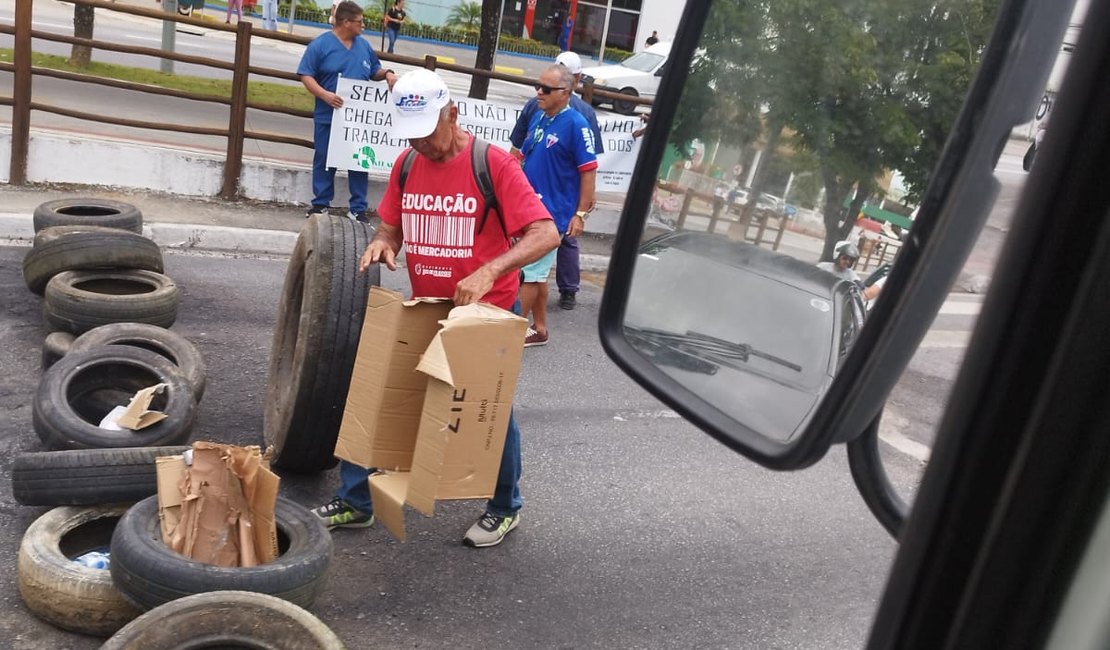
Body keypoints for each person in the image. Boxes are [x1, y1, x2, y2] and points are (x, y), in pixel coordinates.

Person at [312, 69, 560, 549]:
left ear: (452, 113)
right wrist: (383, 244)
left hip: (483, 310)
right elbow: (390, 227)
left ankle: (505, 507)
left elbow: (545, 233)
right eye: (412, 134)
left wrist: (489, 270)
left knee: (487, 408)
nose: (421, 143)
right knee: (380, 389)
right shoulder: (407, 164)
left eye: (428, 130)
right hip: (426, 306)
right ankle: (356, 501)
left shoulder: (493, 164)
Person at [509, 51, 603, 312]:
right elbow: (521, 153)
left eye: (546, 89)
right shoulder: (540, 115)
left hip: (552, 213)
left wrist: (580, 214)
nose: (539, 92)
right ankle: (539, 328)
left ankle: (515, 327)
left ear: (565, 92)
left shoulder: (578, 124)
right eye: (537, 86)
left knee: (530, 271)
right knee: (535, 272)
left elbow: (589, 170)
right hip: (529, 207)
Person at [297, 1, 397, 222]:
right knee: (324, 157)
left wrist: (388, 74)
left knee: (359, 160)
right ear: (345, 22)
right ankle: (321, 204)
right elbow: (306, 74)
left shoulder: (363, 46)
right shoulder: (320, 45)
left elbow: (373, 70)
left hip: (356, 120)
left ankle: (358, 208)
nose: (364, 26)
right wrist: (324, 95)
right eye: (360, 22)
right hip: (328, 115)